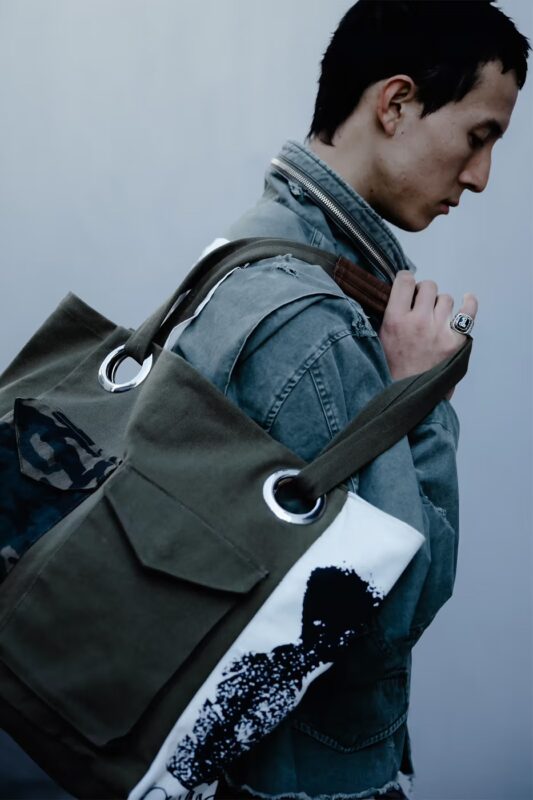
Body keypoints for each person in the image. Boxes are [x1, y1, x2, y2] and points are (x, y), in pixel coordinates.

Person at [172, 2, 530, 798]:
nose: (479, 177)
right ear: (395, 103)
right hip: (303, 781)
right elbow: (384, 621)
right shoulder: (311, 323)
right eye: (478, 136)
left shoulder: (250, 251)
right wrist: (418, 400)